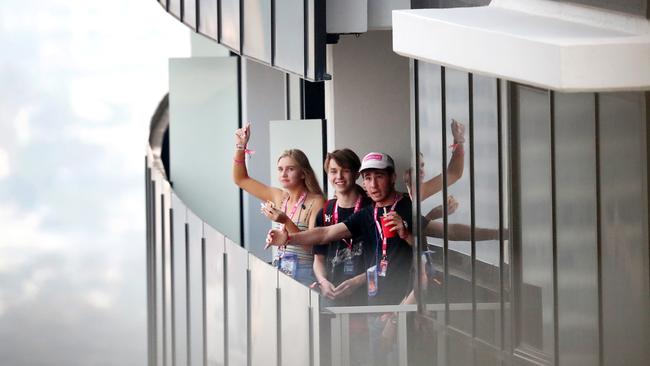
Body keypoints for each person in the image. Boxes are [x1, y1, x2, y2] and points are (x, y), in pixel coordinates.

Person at [266, 152, 412, 366]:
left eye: (379, 176)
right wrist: (288, 237)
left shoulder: (407, 207)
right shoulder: (368, 212)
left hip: (400, 307)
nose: (372, 184)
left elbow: (430, 249)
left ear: (393, 177)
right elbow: (325, 234)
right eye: (368, 178)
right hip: (373, 305)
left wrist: (407, 234)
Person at [233, 122, 324, 285]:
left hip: (304, 274)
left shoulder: (316, 201)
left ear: (303, 173)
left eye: (290, 169)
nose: (284, 173)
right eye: (280, 169)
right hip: (280, 270)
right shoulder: (280, 196)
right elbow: (241, 179)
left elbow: (312, 249)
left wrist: (285, 221)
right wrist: (240, 146)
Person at [313, 149, 373, 306]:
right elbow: (318, 258)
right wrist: (322, 281)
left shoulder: (372, 208)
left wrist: (359, 281)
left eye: (345, 171)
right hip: (333, 293)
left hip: (368, 294)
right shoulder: (325, 211)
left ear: (356, 174)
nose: (338, 177)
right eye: (333, 171)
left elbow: (385, 257)